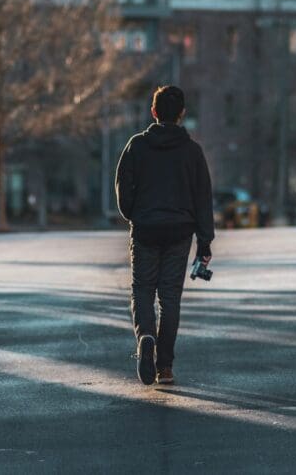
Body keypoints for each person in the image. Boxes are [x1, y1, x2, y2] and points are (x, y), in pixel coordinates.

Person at [115, 85, 214, 386]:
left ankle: (146, 334)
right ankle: (165, 367)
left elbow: (122, 189)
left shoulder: (136, 146)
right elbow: (203, 198)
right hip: (179, 232)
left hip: (145, 229)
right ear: (182, 114)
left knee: (142, 290)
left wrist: (133, 215)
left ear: (154, 112)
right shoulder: (192, 152)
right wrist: (205, 241)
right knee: (170, 298)